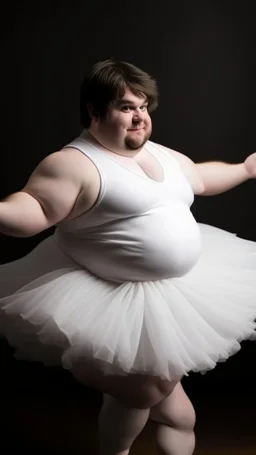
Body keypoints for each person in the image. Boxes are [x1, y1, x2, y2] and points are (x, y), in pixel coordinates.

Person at [0, 59, 255, 455]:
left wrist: (244, 168)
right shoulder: (73, 163)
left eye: (143, 107)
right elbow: (34, 209)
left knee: (178, 416)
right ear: (94, 110)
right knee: (141, 396)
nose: (139, 118)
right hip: (111, 299)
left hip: (171, 294)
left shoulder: (160, 153)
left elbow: (201, 179)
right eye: (126, 107)